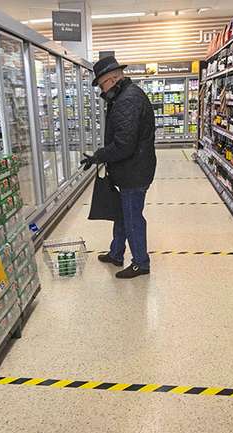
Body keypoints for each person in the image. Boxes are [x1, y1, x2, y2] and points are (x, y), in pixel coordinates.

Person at [81, 56, 156, 279]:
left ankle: (141, 263)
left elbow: (124, 145)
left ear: (112, 79)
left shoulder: (127, 101)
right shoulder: (126, 95)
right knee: (122, 214)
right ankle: (116, 253)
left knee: (132, 216)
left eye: (102, 85)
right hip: (132, 168)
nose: (102, 91)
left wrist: (99, 156)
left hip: (134, 171)